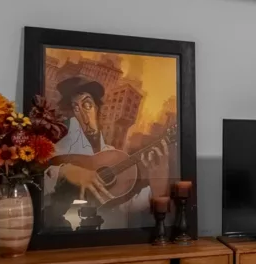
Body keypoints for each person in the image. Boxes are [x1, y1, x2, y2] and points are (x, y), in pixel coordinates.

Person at [45, 75, 167, 229]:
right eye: (75, 107)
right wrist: (65, 171)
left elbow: (123, 207)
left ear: (99, 110)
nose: (82, 114)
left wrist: (157, 187)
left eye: (87, 105)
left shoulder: (113, 156)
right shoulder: (59, 149)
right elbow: (38, 182)